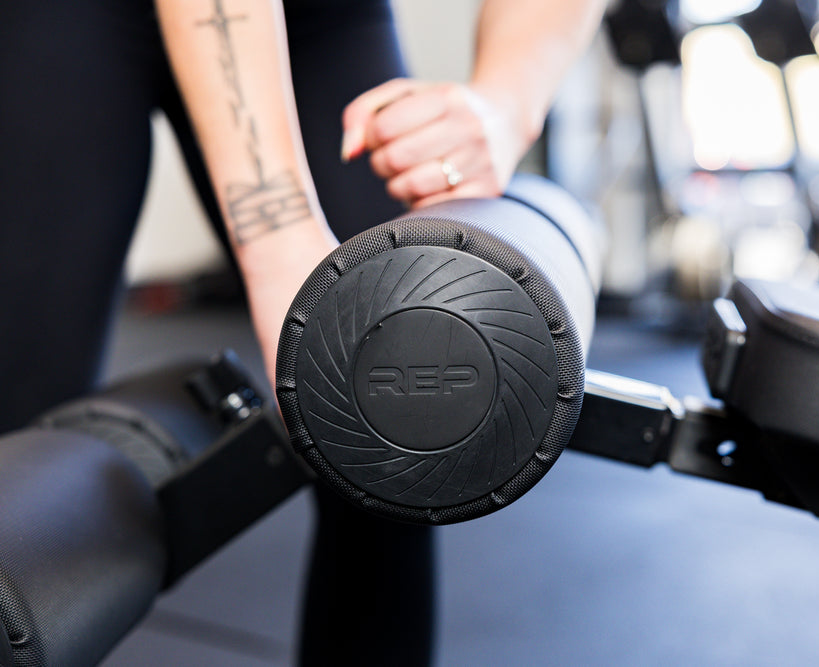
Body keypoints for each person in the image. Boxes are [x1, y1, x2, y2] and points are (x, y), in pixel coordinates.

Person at [0, 0, 607, 663]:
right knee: (20, 472)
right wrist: (277, 233)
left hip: (319, 20)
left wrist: (506, 100)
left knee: (392, 442)